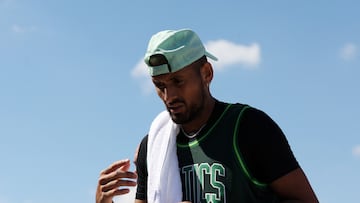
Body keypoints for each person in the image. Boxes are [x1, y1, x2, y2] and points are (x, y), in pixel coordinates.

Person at [96, 28, 319, 203]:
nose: (169, 95)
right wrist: (103, 201)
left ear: (207, 74)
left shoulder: (248, 127)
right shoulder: (154, 145)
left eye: (178, 82)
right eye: (159, 85)